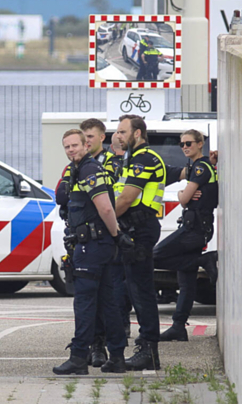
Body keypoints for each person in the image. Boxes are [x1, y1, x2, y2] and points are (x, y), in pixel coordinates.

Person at [53, 130, 129, 376]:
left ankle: (78, 357)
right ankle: (116, 357)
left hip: (92, 246)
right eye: (67, 147)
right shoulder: (78, 169)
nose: (71, 150)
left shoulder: (89, 169)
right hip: (95, 245)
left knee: (84, 302)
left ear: (86, 145)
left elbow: (106, 209)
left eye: (74, 145)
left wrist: (116, 235)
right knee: (108, 303)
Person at [113, 114, 167, 371]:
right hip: (134, 229)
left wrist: (105, 220)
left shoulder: (143, 159)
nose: (118, 136)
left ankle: (149, 351)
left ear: (137, 133)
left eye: (122, 132)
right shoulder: (133, 158)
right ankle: (143, 347)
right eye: (117, 131)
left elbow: (126, 199)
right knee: (132, 289)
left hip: (140, 230)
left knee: (142, 292)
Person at [153, 130, 219, 341]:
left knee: (155, 256)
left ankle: (203, 260)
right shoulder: (199, 166)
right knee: (186, 281)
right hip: (196, 227)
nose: (184, 147)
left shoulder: (200, 167)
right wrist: (187, 193)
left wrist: (183, 194)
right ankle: (178, 326)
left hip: (194, 229)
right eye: (182, 144)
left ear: (200, 144)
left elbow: (183, 199)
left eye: (189, 143)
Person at [79, 118, 125, 368]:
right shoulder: (79, 164)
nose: (86, 141)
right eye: (83, 136)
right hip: (87, 234)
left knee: (107, 296)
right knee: (95, 296)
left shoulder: (111, 163)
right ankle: (97, 346)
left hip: (105, 233)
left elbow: (111, 199)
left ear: (101, 138)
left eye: (90, 137)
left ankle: (110, 347)